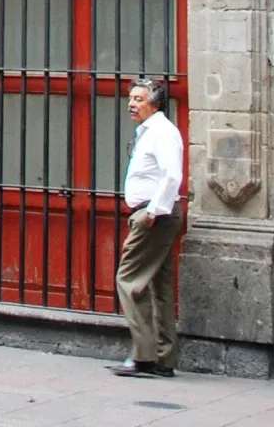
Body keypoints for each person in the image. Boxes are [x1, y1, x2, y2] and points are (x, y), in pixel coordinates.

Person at [112, 75, 185, 377]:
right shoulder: (151, 132)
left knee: (129, 280)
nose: (131, 104)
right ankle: (162, 358)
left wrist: (152, 212)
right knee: (160, 286)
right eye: (131, 98)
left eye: (139, 99)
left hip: (155, 216)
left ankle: (143, 356)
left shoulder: (162, 133)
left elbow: (171, 175)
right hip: (157, 214)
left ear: (154, 103)